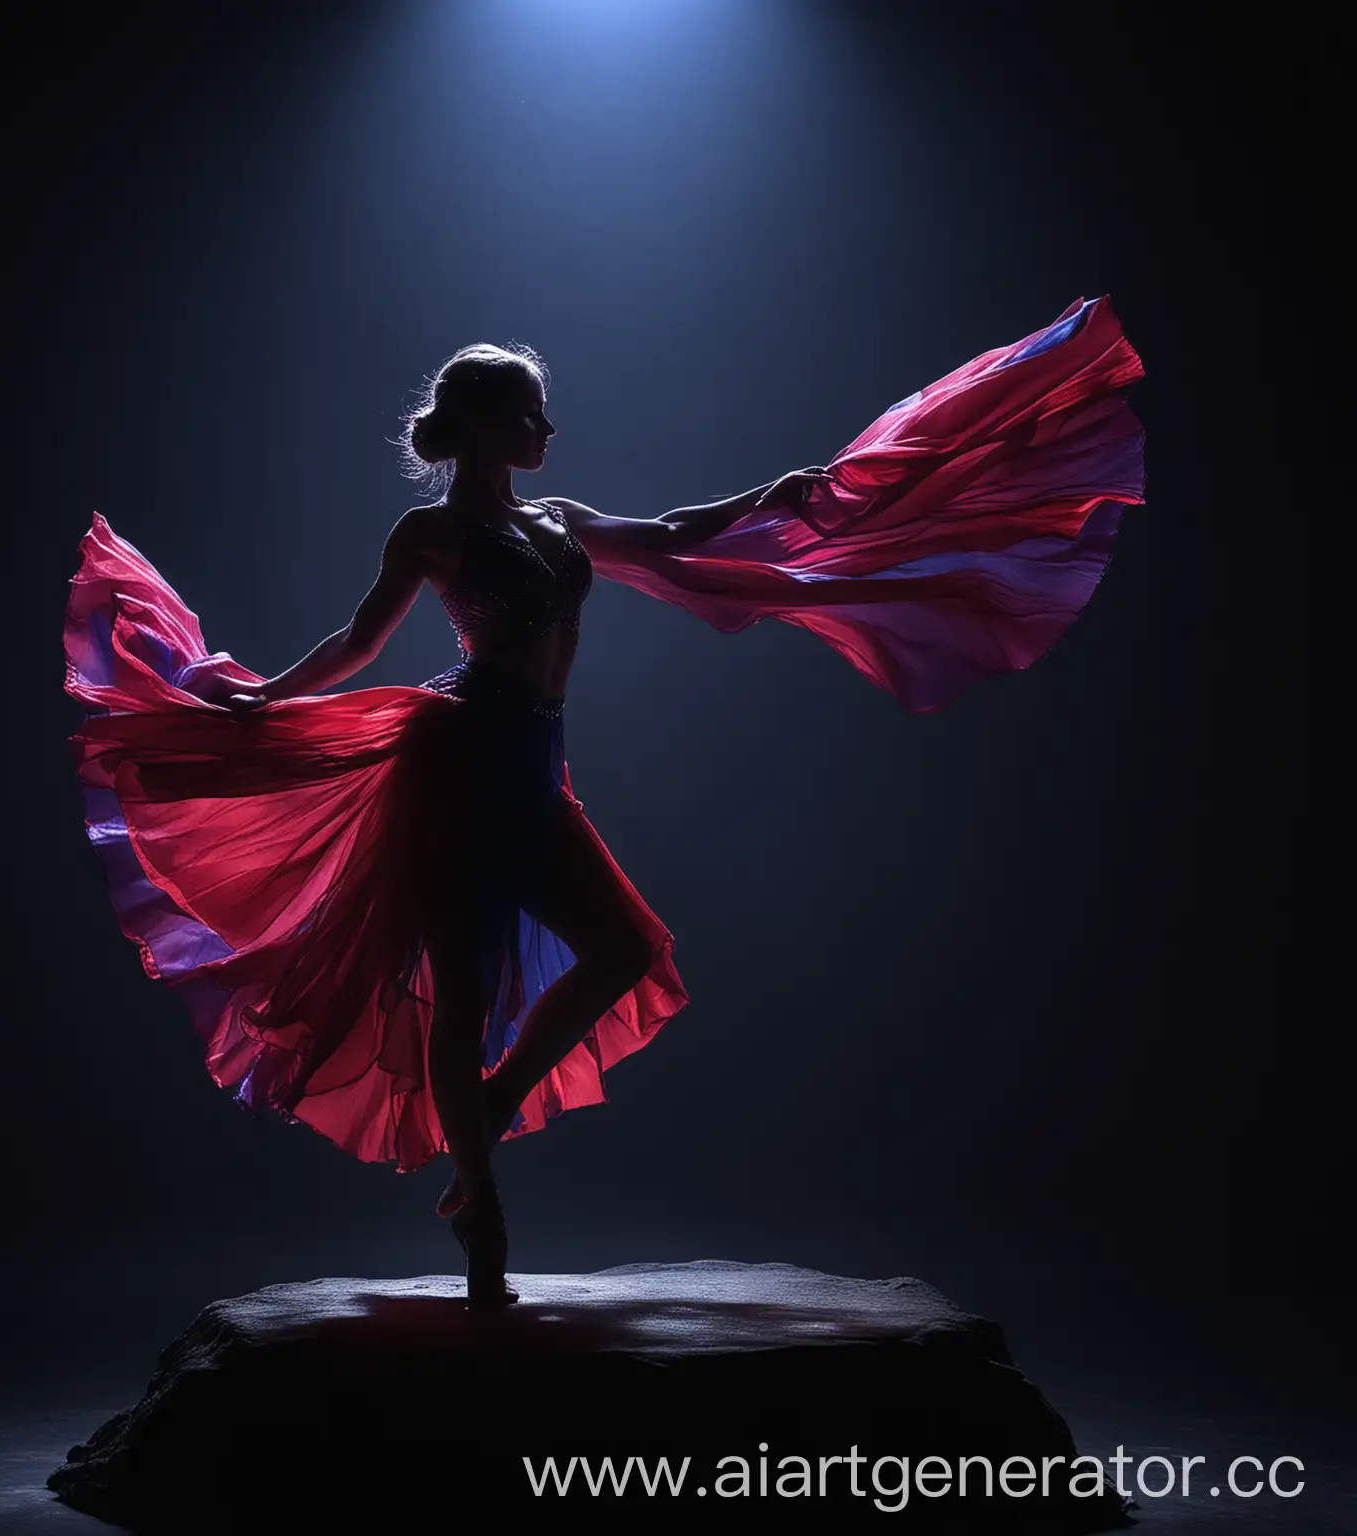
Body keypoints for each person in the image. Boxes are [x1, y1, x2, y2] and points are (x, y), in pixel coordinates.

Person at [64, 299, 1145, 1308]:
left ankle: (481, 1118)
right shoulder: (427, 535)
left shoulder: (559, 519)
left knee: (626, 949)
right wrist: (265, 695)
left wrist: (770, 495)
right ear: (483, 425)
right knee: (459, 976)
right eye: (529, 410)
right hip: (462, 757)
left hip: (536, 759)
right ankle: (481, 1208)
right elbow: (359, 641)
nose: (548, 424)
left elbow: (669, 533)